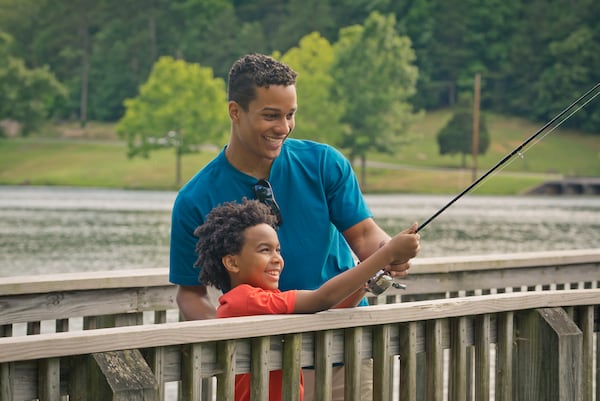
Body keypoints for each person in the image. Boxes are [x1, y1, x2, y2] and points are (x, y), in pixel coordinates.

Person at [169, 52, 420, 400]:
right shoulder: (194, 198)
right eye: (271, 116)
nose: (284, 128)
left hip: (345, 347)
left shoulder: (325, 162)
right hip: (263, 368)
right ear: (235, 112)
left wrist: (388, 253)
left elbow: (365, 236)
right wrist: (230, 341)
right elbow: (190, 293)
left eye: (290, 115)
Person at [193, 198, 420, 401]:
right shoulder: (244, 301)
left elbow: (325, 305)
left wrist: (364, 283)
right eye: (265, 250)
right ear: (232, 263)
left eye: (278, 250)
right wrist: (386, 254)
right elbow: (321, 299)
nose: (277, 259)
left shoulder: (263, 301)